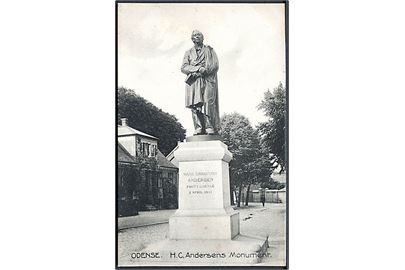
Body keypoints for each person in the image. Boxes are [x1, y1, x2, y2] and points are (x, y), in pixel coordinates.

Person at [181, 30, 220, 135]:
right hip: (194, 82)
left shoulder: (210, 50)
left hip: (207, 80)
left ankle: (209, 126)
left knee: (208, 102)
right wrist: (198, 68)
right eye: (194, 35)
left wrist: (205, 70)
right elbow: (184, 67)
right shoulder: (188, 53)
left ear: (202, 38)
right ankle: (198, 127)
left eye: (198, 35)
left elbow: (215, 65)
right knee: (195, 105)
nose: (196, 37)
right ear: (192, 39)